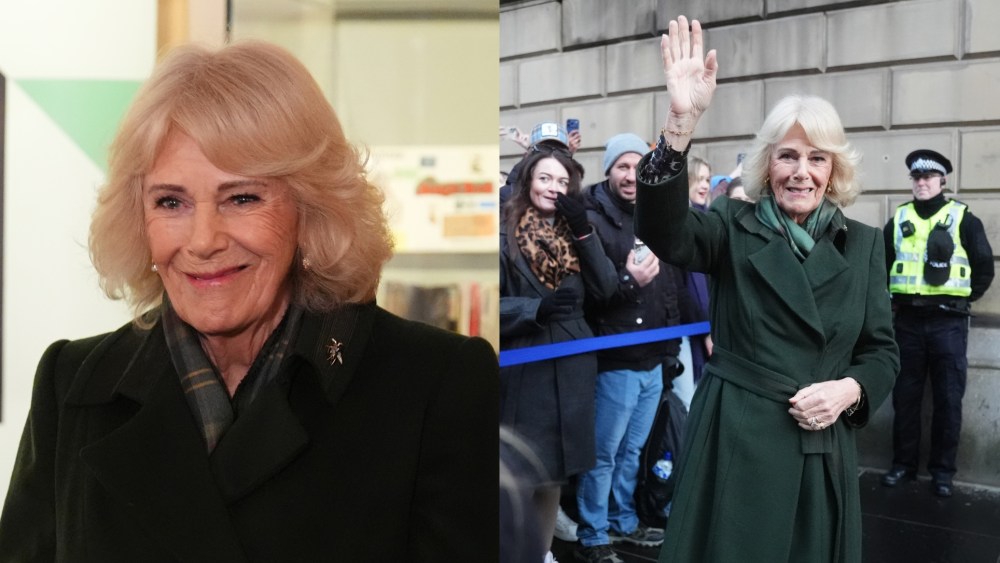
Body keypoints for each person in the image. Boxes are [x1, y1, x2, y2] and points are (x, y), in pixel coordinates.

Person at [0, 40, 499, 562]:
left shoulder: (435, 383)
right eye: (171, 202)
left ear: (311, 208)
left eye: (242, 198)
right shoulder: (74, 383)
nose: (203, 240)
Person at [634, 17, 899, 562]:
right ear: (767, 164)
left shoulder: (865, 244)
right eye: (788, 155)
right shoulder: (732, 224)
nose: (802, 172)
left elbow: (881, 350)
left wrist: (849, 391)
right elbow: (663, 231)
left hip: (819, 442)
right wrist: (680, 125)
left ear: (834, 170)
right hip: (736, 438)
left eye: (816, 158)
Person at [573, 133, 686, 563]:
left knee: (632, 452)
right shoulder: (590, 217)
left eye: (637, 166)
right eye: (621, 165)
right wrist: (626, 281)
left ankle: (622, 522)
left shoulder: (653, 216)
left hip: (653, 360)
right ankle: (593, 533)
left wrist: (670, 348)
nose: (630, 175)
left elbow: (671, 288)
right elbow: (591, 294)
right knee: (604, 453)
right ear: (608, 170)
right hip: (614, 360)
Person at [500, 147, 617, 561]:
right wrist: (534, 309)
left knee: (554, 476)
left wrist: (584, 231)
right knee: (520, 473)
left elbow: (606, 288)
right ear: (529, 180)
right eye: (545, 178)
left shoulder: (576, 229)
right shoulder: (503, 230)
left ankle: (541, 552)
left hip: (571, 366)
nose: (553, 187)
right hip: (524, 366)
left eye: (562, 181)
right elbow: (483, 303)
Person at [880, 149, 994, 498]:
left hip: (948, 322)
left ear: (942, 180)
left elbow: (984, 268)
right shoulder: (898, 219)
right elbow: (881, 267)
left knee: (948, 399)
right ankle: (903, 465)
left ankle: (943, 473)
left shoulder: (963, 219)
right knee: (906, 397)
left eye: (928, 177)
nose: (922, 183)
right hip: (908, 321)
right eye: (916, 178)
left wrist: (960, 300)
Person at [500, 121, 583, 206]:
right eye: (544, 149)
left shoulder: (573, 199)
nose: (551, 156)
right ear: (529, 154)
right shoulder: (508, 196)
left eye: (559, 150)